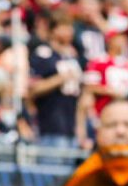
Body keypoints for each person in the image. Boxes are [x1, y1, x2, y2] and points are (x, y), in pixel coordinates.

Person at [28, 13, 85, 155]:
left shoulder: (73, 57)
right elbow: (34, 89)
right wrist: (61, 78)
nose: (69, 32)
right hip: (50, 125)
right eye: (64, 27)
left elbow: (80, 97)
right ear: (54, 30)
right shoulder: (44, 54)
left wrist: (80, 128)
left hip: (70, 126)